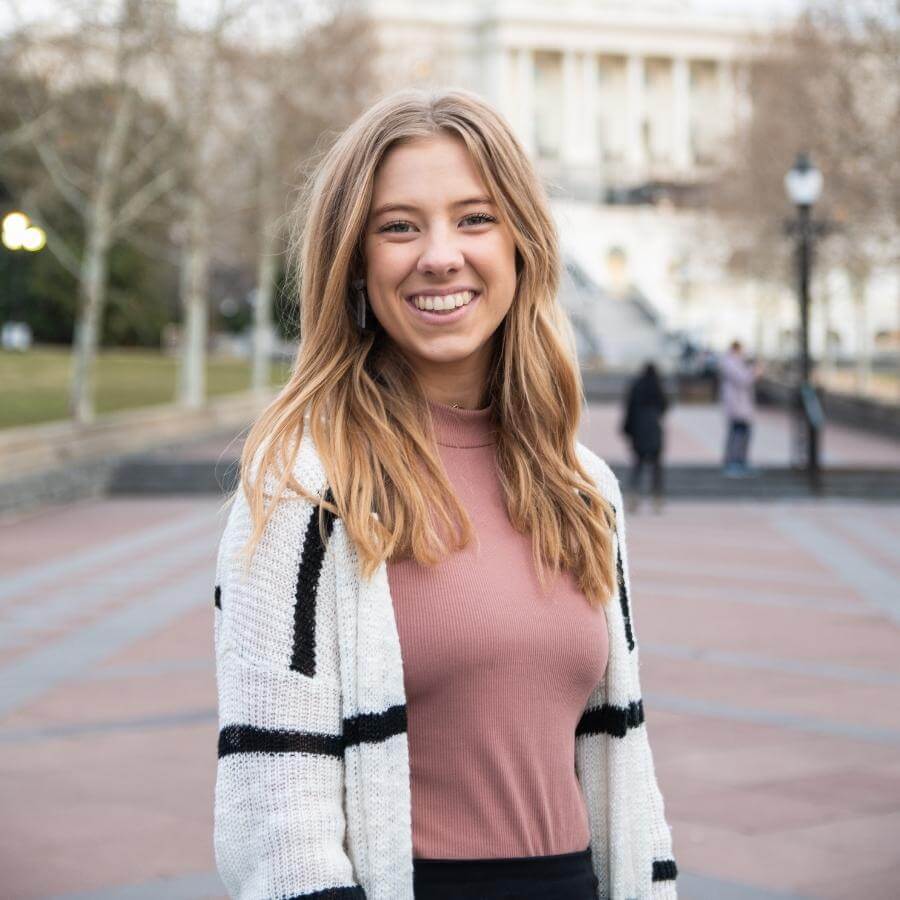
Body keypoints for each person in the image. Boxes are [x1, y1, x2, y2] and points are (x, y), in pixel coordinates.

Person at [212, 88, 677, 900]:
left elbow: (625, 760)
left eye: (475, 219)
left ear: (522, 244)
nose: (440, 256)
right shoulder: (303, 483)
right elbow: (274, 813)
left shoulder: (582, 487)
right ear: (355, 261)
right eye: (399, 227)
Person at [622, 362, 669, 513]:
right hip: (654, 430)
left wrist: (627, 429)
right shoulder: (658, 386)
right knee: (656, 467)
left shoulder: (637, 386)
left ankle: (633, 498)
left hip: (639, 430)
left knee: (637, 465)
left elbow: (629, 409)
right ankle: (657, 499)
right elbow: (665, 406)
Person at [719, 340, 761, 477]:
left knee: (741, 434)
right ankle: (734, 463)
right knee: (738, 435)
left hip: (740, 406)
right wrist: (755, 372)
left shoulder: (735, 362)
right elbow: (743, 379)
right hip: (737, 406)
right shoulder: (731, 362)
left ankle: (739, 462)